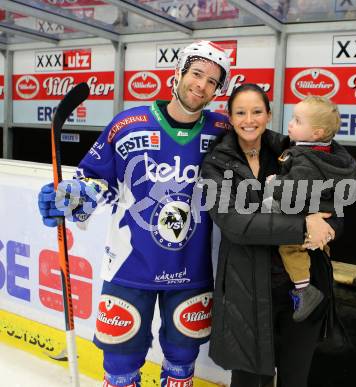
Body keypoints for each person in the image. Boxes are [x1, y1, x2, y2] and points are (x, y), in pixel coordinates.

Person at [37, 40, 232, 387]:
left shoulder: (223, 131)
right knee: (120, 359)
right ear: (179, 73)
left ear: (218, 90)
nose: (201, 84)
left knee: (182, 358)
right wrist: (72, 195)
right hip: (129, 265)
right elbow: (97, 181)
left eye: (212, 81)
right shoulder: (128, 123)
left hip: (192, 268)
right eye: (197, 73)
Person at [200, 83, 344, 387]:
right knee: (250, 381)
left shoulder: (291, 148)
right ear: (230, 117)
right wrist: (305, 225)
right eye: (240, 112)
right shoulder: (216, 162)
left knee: (295, 379)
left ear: (268, 115)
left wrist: (328, 226)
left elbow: (337, 206)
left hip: (305, 290)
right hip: (247, 293)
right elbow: (236, 225)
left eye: (256, 111)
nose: (249, 119)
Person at [263, 95, 356, 322]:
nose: (290, 124)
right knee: (318, 247)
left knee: (291, 248)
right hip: (322, 213)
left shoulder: (306, 158)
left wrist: (274, 183)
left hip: (302, 212)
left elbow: (293, 189)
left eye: (297, 120)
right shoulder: (335, 155)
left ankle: (304, 290)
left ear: (316, 133)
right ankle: (318, 275)